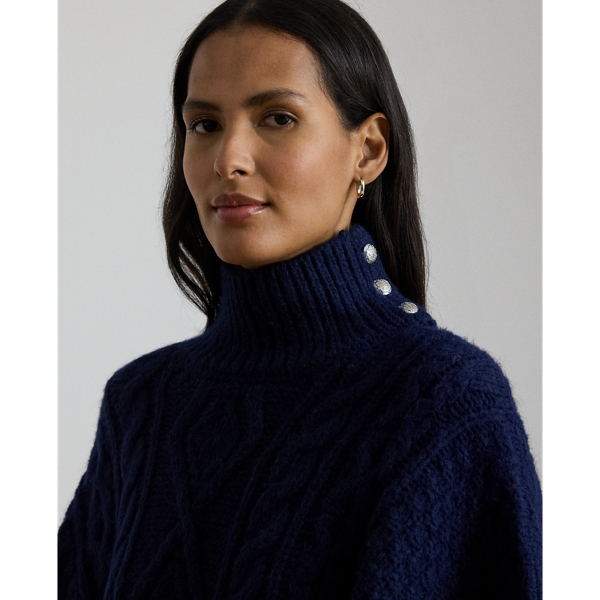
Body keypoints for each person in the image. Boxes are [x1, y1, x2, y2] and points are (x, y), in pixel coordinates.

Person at [58, 0, 542, 598]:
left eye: (278, 118)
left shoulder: (441, 403)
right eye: (204, 124)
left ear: (368, 150)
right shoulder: (140, 404)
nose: (228, 159)